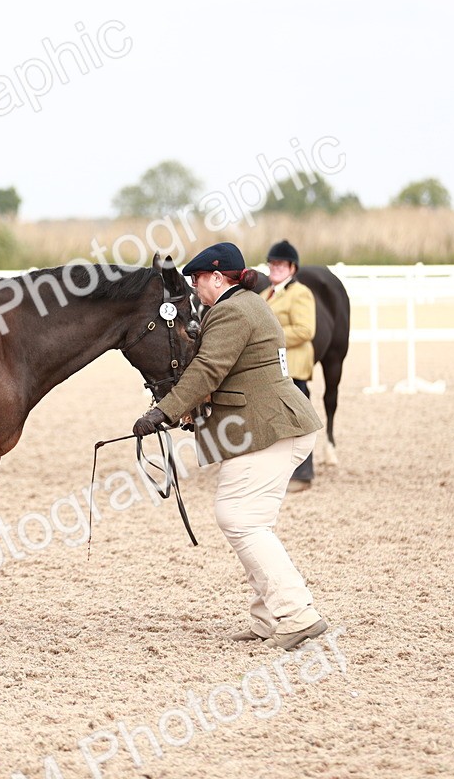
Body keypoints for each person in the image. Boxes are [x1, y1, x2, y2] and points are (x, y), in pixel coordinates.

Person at [133, 242, 328, 651]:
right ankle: (268, 618)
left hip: (268, 428)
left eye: (198, 279)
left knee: (239, 518)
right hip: (273, 425)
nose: (193, 286)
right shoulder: (246, 305)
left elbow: (208, 369)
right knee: (250, 520)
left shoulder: (232, 311)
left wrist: (163, 412)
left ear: (219, 278)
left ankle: (298, 614)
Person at [264, 240, 317, 492]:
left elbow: (305, 330)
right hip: (273, 368)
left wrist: (269, 337)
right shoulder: (267, 294)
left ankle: (303, 473)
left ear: (292, 268)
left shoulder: (300, 293)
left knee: (299, 421)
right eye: (273, 263)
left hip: (293, 365)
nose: (276, 268)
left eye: (281, 264)